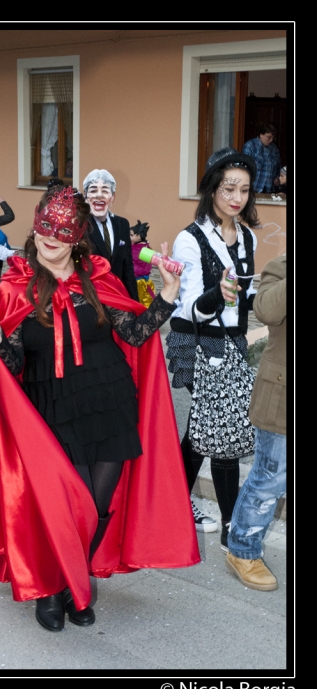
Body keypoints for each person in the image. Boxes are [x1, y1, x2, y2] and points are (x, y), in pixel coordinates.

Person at [0, 186, 200, 632]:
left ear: (78, 236)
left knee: (96, 504)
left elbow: (134, 333)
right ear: (35, 225)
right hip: (49, 408)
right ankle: (50, 586)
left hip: (109, 401)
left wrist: (167, 294)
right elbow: (12, 365)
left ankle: (75, 581)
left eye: (63, 229)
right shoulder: (14, 287)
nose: (51, 236)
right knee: (63, 503)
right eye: (46, 225)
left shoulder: (99, 279)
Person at [165, 147, 259, 549]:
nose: (236, 197)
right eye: (228, 189)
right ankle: (229, 528)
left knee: (202, 430)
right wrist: (217, 295)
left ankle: (173, 502)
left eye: (244, 189)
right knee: (222, 433)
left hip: (234, 345)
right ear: (212, 189)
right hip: (200, 343)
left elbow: (248, 297)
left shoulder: (248, 234)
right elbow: (186, 308)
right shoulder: (191, 238)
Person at [226, 254, 286, 591]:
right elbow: (266, 311)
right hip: (281, 397)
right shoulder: (282, 267)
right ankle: (243, 551)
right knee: (269, 480)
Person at [83, 169, 138, 300]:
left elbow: (127, 269)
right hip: (90, 300)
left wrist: (135, 304)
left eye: (105, 191)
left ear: (113, 197)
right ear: (85, 196)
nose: (99, 195)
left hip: (118, 299)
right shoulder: (79, 226)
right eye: (93, 190)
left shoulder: (122, 224)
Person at [242, 122, 282, 194]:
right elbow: (245, 167)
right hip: (253, 187)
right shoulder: (250, 146)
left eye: (273, 137)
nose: (271, 140)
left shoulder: (274, 149)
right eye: (268, 137)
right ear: (261, 135)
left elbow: (278, 166)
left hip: (269, 188)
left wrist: (277, 177)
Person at [130, 220, 156, 308]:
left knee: (136, 302)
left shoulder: (136, 250)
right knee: (146, 302)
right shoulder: (147, 248)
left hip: (138, 281)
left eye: (131, 235)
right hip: (146, 281)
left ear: (139, 236)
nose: (129, 237)